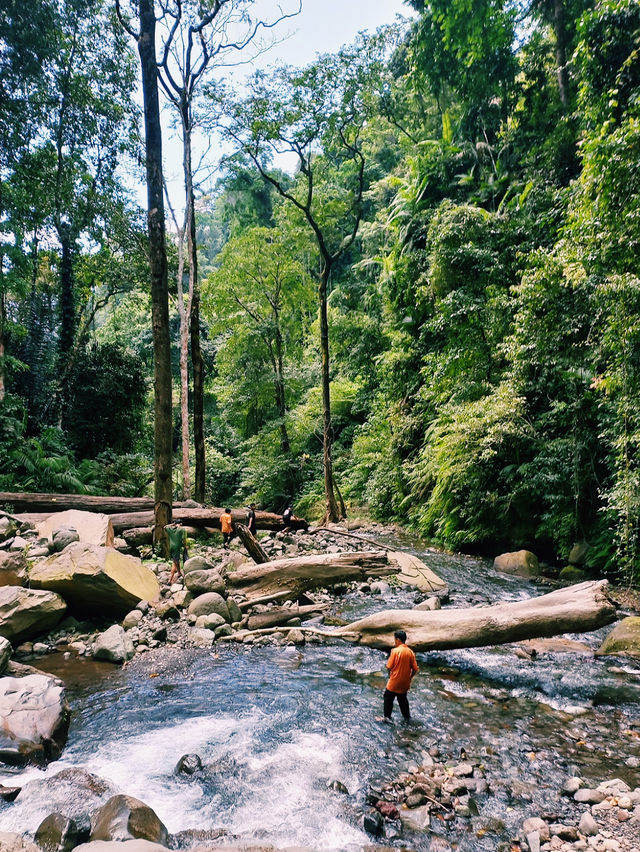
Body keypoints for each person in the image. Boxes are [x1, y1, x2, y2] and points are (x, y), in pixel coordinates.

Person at [382, 629, 419, 721]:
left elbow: (389, 667)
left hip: (394, 681)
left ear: (398, 640)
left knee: (388, 698)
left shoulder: (395, 651)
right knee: (402, 700)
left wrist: (390, 676)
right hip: (405, 683)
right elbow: (415, 669)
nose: (394, 641)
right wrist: (409, 678)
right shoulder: (410, 652)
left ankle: (387, 718)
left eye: (394, 639)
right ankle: (407, 718)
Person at [166, 519, 188, 585]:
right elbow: (184, 539)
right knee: (174, 562)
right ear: (181, 524)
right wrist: (185, 545)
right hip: (177, 547)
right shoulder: (182, 529)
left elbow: (165, 527)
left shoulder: (171, 529)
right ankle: (170, 580)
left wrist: (173, 524)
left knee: (176, 560)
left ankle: (179, 573)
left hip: (171, 547)